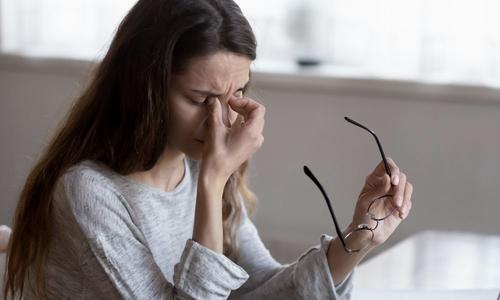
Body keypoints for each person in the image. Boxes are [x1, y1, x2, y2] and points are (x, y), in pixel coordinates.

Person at [3, 0, 413, 299]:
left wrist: (360, 236)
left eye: (237, 93)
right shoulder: (88, 193)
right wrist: (214, 182)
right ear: (144, 90)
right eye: (200, 98)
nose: (223, 120)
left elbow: (262, 289)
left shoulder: (200, 169)